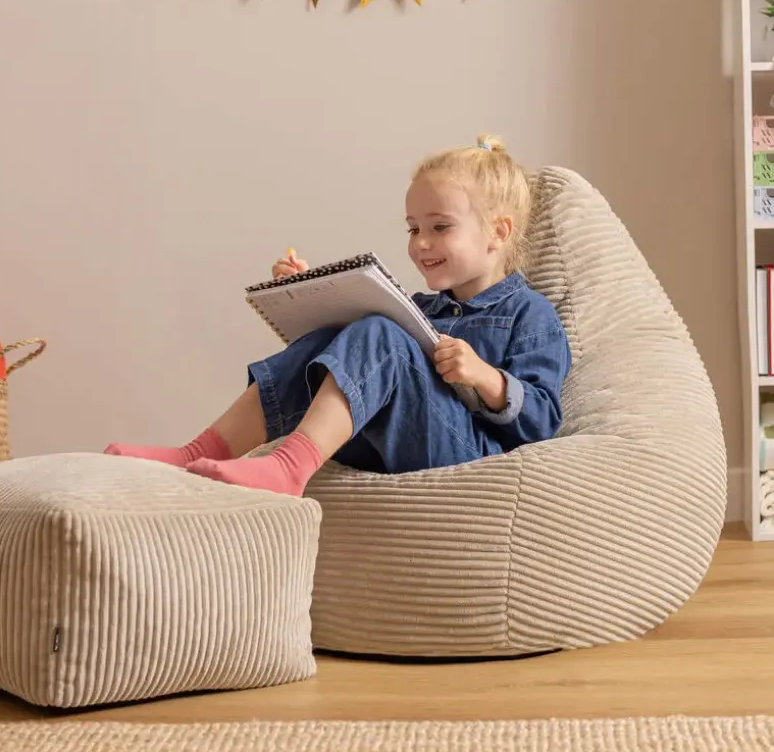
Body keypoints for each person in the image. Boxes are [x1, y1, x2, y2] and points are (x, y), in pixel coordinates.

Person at [105, 134, 572, 497]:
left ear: (499, 232)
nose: (421, 243)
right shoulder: (421, 307)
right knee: (339, 334)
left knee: (382, 336)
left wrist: (486, 377)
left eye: (440, 227)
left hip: (465, 448)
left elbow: (543, 420)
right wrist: (309, 294)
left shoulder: (528, 312)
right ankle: (196, 453)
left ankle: (289, 468)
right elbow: (354, 367)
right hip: (385, 434)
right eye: (413, 229)